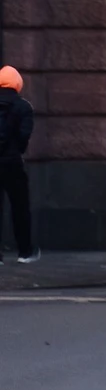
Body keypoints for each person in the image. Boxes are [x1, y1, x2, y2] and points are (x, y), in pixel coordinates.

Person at [0, 65, 33, 261]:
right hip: (12, 163)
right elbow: (24, 136)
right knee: (20, 207)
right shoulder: (23, 106)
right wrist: (16, 150)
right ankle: (25, 252)